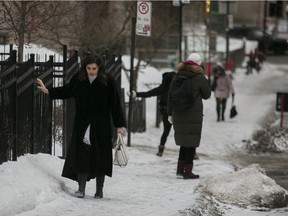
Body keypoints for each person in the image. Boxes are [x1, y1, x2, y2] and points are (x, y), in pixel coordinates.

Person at [36, 54, 126, 199]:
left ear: (99, 68)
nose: (91, 71)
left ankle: (99, 190)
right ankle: (81, 189)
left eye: (94, 68)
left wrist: (119, 124)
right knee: (82, 155)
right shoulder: (79, 79)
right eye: (89, 68)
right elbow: (67, 90)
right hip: (82, 124)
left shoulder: (108, 81)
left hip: (101, 125)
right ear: (85, 68)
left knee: (100, 157)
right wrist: (48, 90)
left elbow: (115, 103)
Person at [167, 53, 211, 179]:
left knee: (183, 142)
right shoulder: (200, 78)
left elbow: (170, 95)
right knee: (191, 143)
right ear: (198, 63)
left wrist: (170, 113)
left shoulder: (177, 76)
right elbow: (207, 95)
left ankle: (180, 170)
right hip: (193, 114)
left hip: (179, 113)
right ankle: (188, 171)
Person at [132, 71, 176, 157]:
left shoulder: (163, 88)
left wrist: (136, 94)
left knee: (166, 131)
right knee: (183, 132)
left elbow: (148, 94)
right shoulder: (179, 88)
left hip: (167, 112)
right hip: (178, 113)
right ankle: (191, 151)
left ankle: (161, 149)